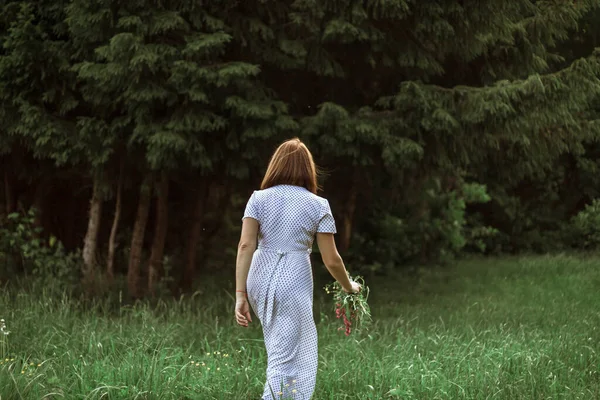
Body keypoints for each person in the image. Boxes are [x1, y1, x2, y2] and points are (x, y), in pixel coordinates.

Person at [234, 137, 361, 400]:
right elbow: (332, 260)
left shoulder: (258, 198)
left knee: (279, 348)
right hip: (293, 278)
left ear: (276, 165)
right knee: (284, 356)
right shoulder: (317, 205)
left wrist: (240, 295)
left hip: (259, 276)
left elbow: (246, 246)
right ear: (308, 168)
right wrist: (349, 286)